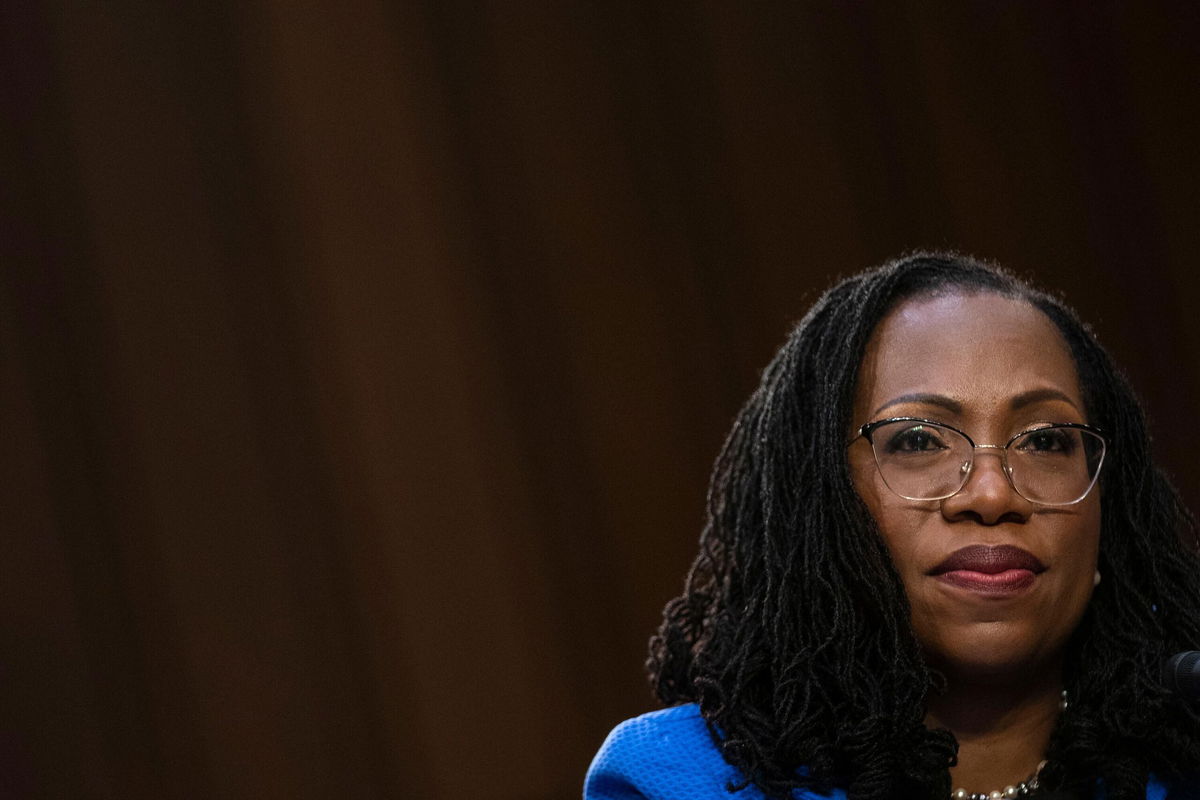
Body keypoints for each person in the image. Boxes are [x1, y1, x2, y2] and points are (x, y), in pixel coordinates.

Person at [584, 254, 1200, 800]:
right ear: (819, 504)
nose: (993, 493)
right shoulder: (676, 782)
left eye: (1044, 441)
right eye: (917, 439)